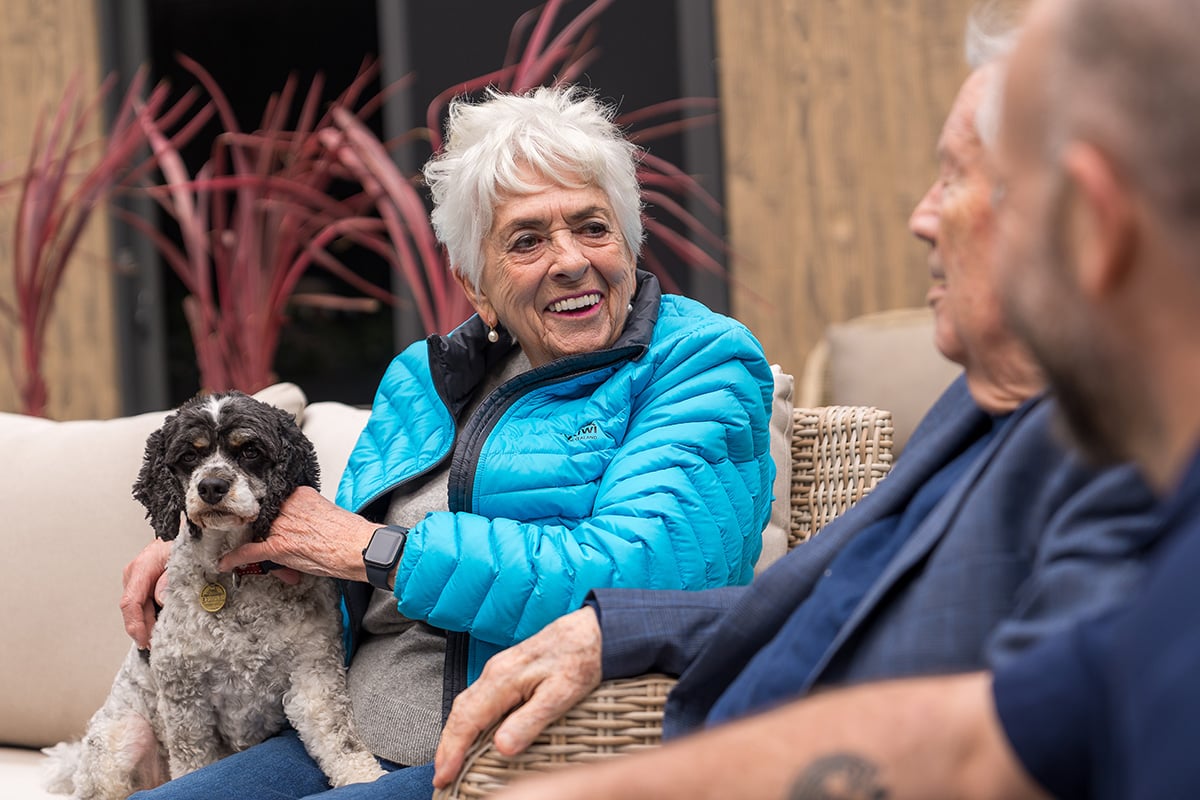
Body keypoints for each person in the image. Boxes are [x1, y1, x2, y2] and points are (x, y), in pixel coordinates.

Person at [438, 0, 1200, 797]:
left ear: (1093, 226)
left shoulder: (1116, 447)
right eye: (525, 239)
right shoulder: (981, 403)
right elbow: (837, 603)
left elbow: (1010, 741)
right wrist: (612, 628)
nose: (921, 218)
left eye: (959, 176)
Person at [119, 85, 777, 799]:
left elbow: (642, 574)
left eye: (593, 227)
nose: (569, 260)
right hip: (350, 739)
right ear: (477, 285)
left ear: (628, 238)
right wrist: (210, 542)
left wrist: (377, 552)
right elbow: (320, 544)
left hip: (528, 750)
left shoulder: (700, 363)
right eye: (526, 239)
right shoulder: (422, 380)